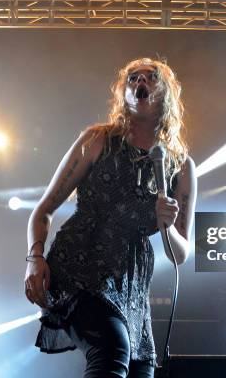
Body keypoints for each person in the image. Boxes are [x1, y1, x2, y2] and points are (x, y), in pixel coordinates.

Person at [24, 58, 197, 378]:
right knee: (113, 351)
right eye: (133, 77)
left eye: (150, 77)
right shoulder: (98, 140)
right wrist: (35, 259)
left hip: (131, 283)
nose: (140, 81)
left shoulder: (180, 165)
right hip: (81, 267)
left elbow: (181, 254)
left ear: (166, 93)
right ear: (124, 91)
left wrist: (167, 225)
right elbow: (43, 209)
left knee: (140, 369)